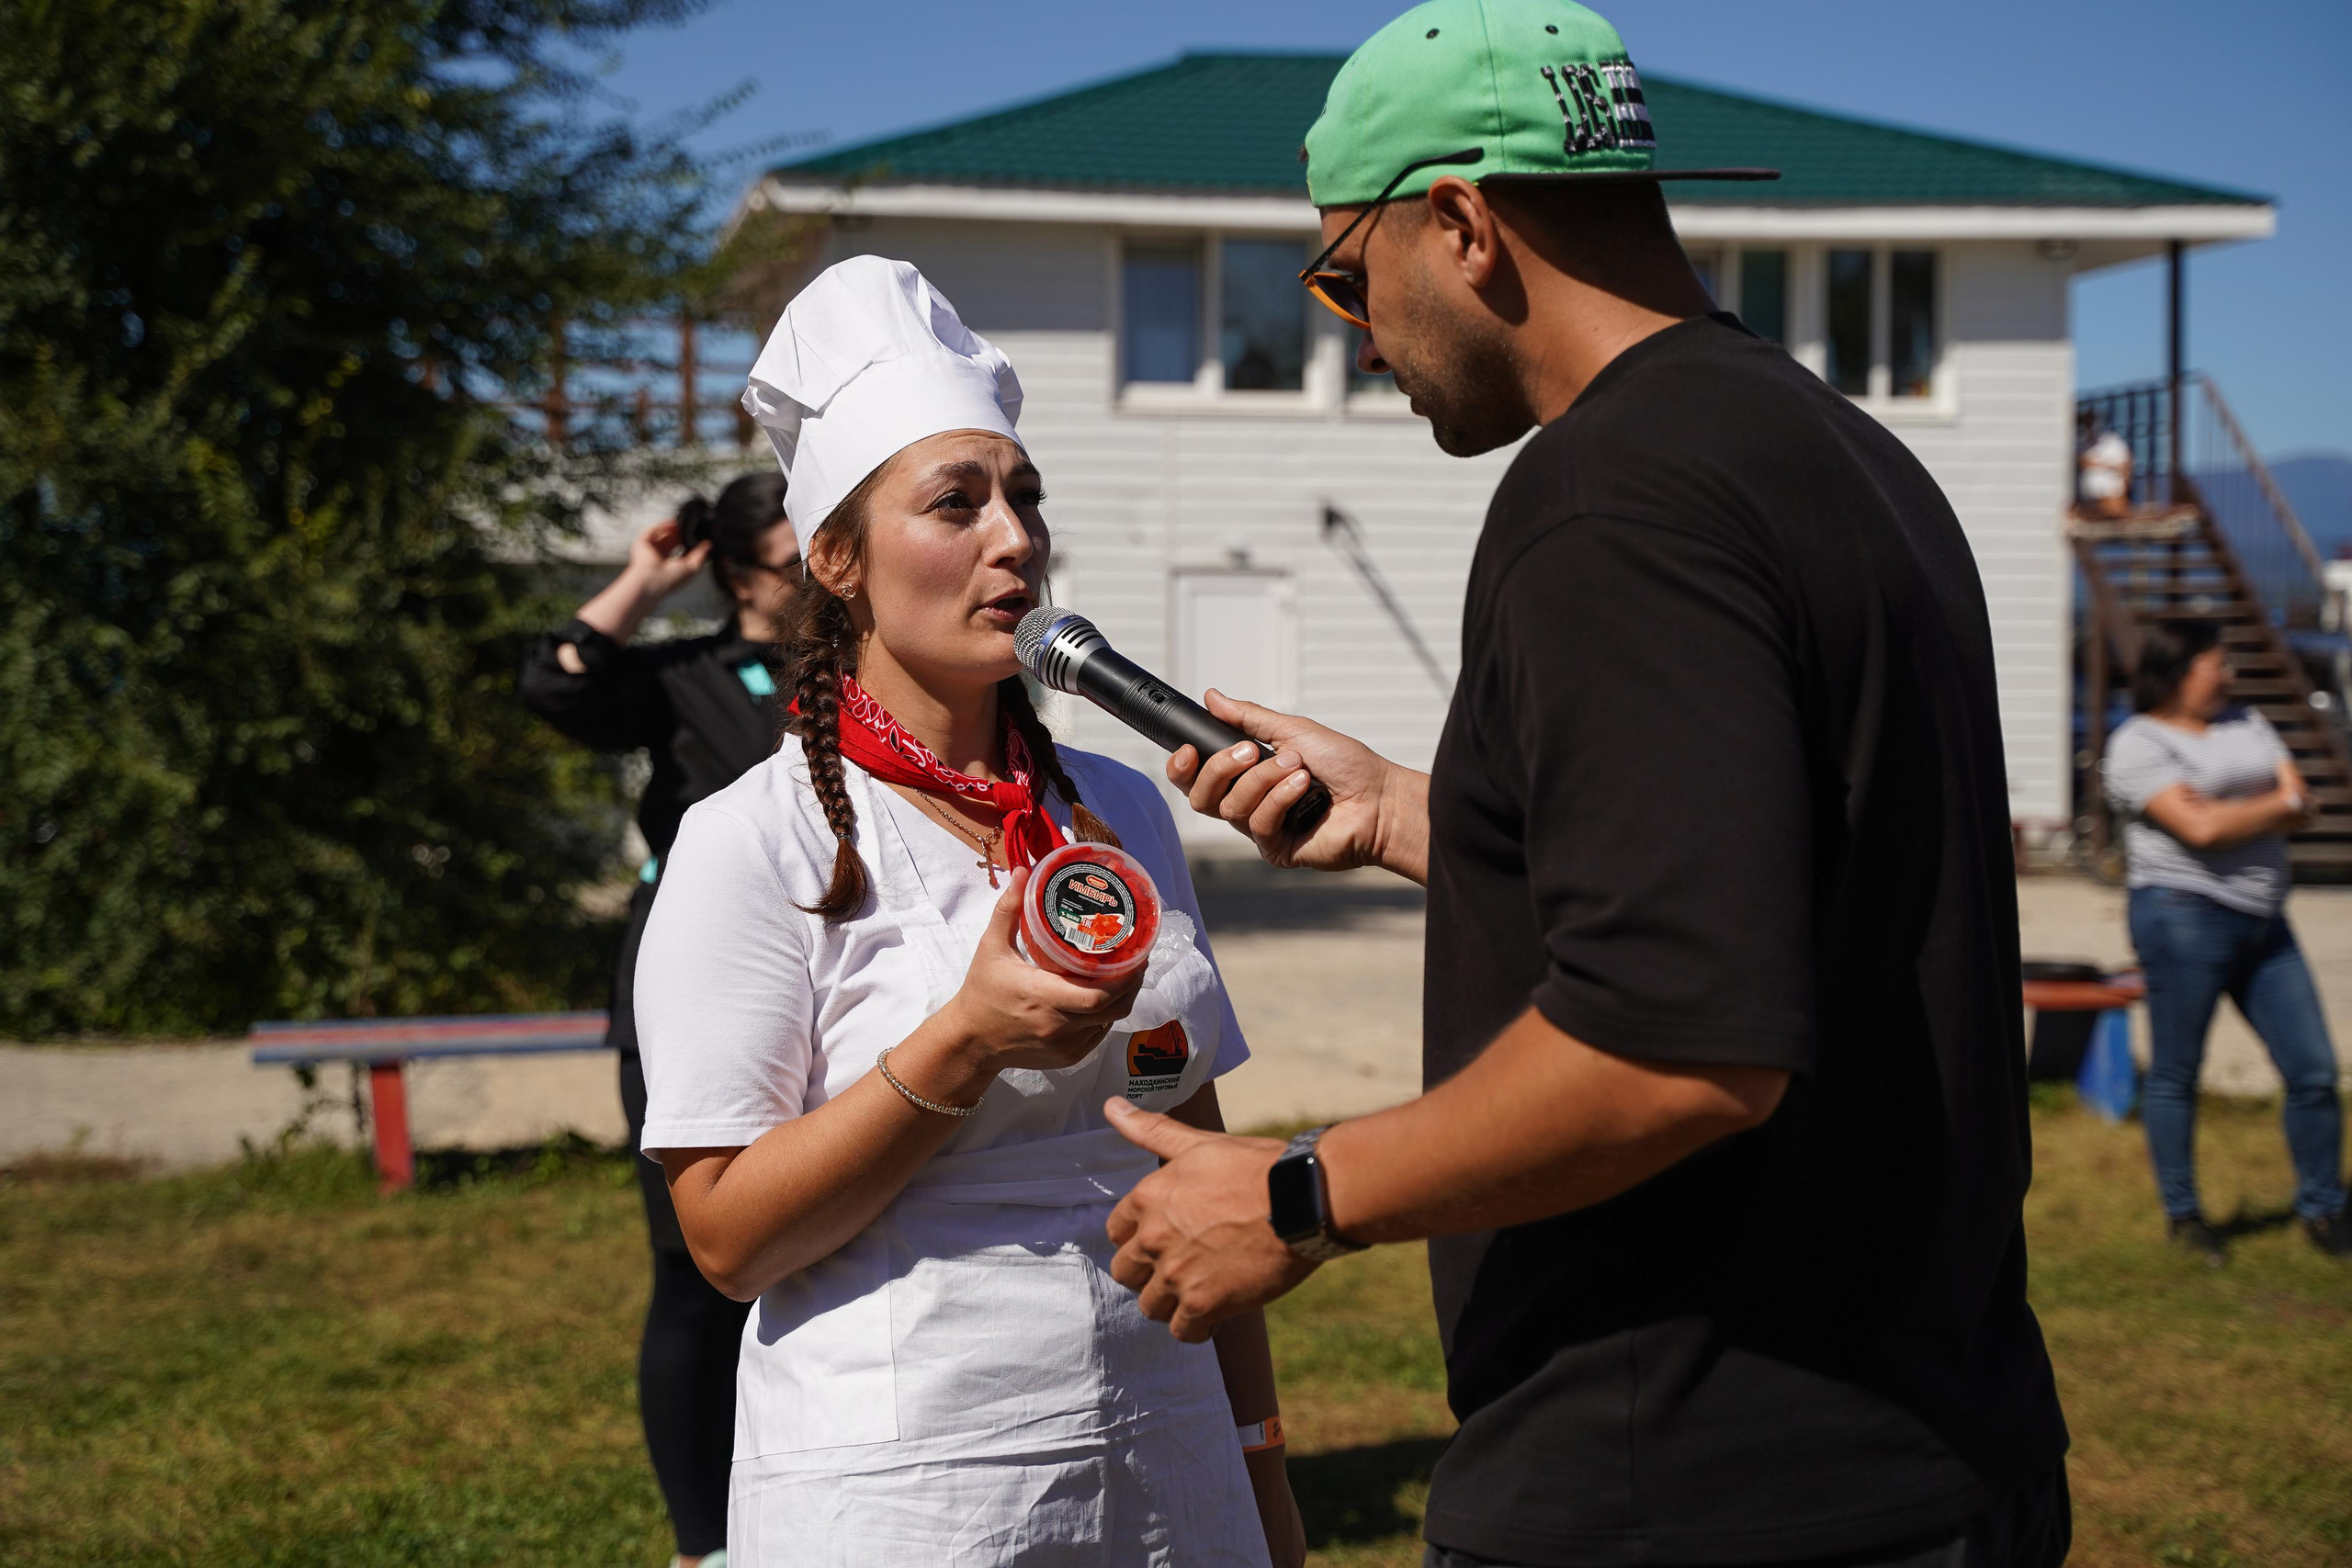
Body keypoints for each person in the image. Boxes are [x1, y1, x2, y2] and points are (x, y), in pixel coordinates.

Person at [1098, 4, 2072, 1566]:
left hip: (1693, 1486)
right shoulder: (1840, 454)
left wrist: (1293, 1195)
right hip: (1934, 1442)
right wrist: (1427, 818)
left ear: (1463, 226)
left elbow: (1680, 1040)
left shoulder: (1605, 499)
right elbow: (1781, 887)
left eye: (1347, 277)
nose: (1355, 331)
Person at [631, 255, 1304, 1568]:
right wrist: (964, 1039)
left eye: (1024, 496)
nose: (1015, 537)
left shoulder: (1122, 805)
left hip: (1166, 1463)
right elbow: (723, 1234)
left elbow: (1192, 1141)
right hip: (910, 1488)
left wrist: (1260, 1457)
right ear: (836, 558)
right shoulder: (751, 840)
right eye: (958, 502)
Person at [518, 470, 801, 1568]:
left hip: (829, 995)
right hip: (694, 1002)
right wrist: (648, 573)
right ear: (739, 574)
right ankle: (706, 1546)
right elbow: (559, 685)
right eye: (790, 559)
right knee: (696, 1269)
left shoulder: (869, 671)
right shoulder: (683, 676)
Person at [2102, 620, 2348, 1263]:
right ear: (2179, 669)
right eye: (2218, 661)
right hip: (2182, 919)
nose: (2230, 673)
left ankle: (2325, 1209)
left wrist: (2235, 810)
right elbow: (2200, 830)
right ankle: (2185, 1217)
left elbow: (2294, 797)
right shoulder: (2137, 743)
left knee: (2315, 1070)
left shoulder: (2248, 720)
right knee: (2178, 1072)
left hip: (2267, 920)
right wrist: (2274, 806)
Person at [2075, 409, 2133, 520]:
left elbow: (2126, 462)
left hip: (2112, 490)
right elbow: (2082, 461)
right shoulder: (2080, 442)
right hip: (2090, 496)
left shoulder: (2111, 440)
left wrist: (2125, 478)